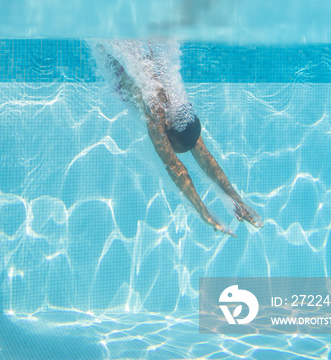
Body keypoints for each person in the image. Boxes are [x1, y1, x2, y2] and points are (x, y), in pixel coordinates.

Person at [93, 40, 263, 238]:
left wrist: (235, 198)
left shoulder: (180, 109)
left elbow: (203, 154)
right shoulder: (156, 116)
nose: (172, 150)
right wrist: (203, 211)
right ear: (167, 132)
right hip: (118, 66)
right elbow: (173, 165)